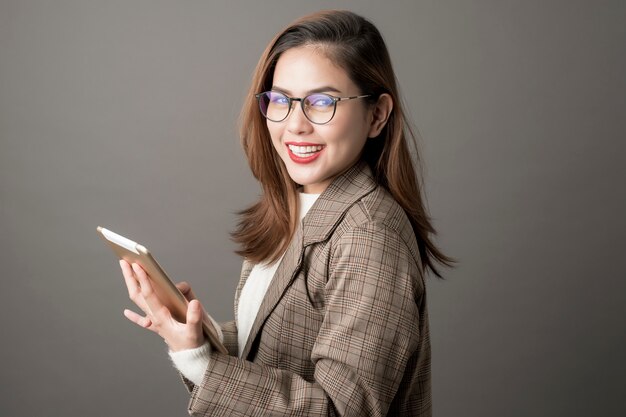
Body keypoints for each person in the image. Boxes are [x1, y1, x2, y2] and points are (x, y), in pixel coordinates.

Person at [119, 9, 453, 417]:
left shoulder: (370, 232)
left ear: (377, 115)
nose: (295, 124)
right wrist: (195, 335)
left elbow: (342, 411)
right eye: (280, 100)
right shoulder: (293, 206)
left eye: (322, 102)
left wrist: (203, 364)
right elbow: (272, 351)